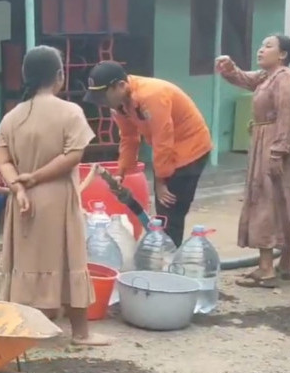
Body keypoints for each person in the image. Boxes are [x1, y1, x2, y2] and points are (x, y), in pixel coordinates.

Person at [0, 45, 111, 346]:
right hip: (57, 196)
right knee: (70, 259)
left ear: (26, 76)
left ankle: (22, 330)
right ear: (59, 76)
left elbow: (3, 160)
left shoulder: (11, 117)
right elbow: (73, 156)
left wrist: (19, 186)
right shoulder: (71, 112)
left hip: (23, 201)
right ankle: (81, 333)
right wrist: (33, 178)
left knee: (23, 261)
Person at [216, 34, 290, 288]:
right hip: (268, 139)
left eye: (268, 47)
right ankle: (285, 265)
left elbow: (287, 116)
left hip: (279, 142)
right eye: (261, 45)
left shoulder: (286, 80)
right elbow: (245, 79)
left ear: (282, 55)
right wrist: (229, 69)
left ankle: (266, 269)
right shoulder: (268, 76)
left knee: (268, 201)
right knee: (282, 199)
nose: (261, 50)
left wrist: (278, 152)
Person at [83, 61, 213, 246]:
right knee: (163, 212)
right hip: (168, 150)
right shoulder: (119, 105)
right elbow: (129, 138)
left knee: (170, 209)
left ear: (120, 85)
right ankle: (164, 251)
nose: (101, 102)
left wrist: (161, 180)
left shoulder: (152, 95)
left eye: (103, 96)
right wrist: (121, 173)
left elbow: (163, 138)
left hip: (190, 149)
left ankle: (169, 258)